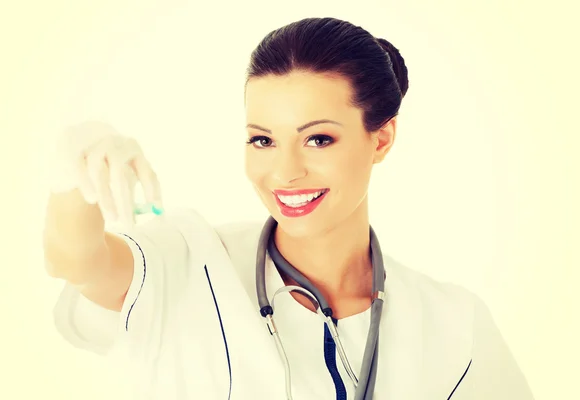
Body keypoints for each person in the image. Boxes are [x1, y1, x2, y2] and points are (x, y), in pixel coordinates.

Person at [43, 17, 535, 400]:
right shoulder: (189, 261)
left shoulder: (452, 324)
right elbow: (78, 261)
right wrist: (75, 171)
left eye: (318, 138)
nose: (285, 172)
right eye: (263, 140)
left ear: (381, 137)